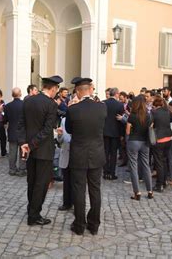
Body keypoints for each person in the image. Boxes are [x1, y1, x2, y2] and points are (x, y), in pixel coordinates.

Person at [18, 75, 62, 226]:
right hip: (43, 150)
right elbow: (47, 130)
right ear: (54, 88)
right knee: (41, 184)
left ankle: (31, 209)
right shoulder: (51, 104)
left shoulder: (28, 100)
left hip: (30, 149)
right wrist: (30, 145)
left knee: (32, 181)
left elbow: (21, 124)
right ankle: (34, 215)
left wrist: (25, 143)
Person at [65, 77, 107, 235]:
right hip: (97, 153)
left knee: (79, 190)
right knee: (95, 190)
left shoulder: (72, 109)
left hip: (79, 154)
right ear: (90, 89)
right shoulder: (102, 108)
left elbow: (69, 129)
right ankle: (94, 225)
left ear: (77, 91)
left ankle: (79, 225)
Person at [126, 96, 154, 201]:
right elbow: (150, 129)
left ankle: (137, 192)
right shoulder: (149, 115)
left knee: (133, 166)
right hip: (145, 142)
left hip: (133, 141)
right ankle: (150, 191)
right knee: (146, 165)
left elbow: (128, 131)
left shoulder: (132, 115)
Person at [57, 91, 80, 211]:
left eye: (76, 102)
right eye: (72, 103)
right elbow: (60, 140)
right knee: (66, 180)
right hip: (66, 151)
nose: (73, 104)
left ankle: (77, 203)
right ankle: (66, 202)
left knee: (76, 181)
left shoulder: (82, 119)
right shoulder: (64, 120)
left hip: (77, 153)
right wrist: (59, 135)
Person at [150, 96, 172, 192]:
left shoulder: (154, 112)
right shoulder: (167, 111)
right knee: (164, 161)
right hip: (168, 138)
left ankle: (159, 185)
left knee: (159, 163)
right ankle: (164, 182)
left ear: (156, 105)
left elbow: (149, 123)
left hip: (159, 139)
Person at [103, 87, 124, 180]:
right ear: (116, 94)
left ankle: (105, 172)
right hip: (115, 132)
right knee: (114, 153)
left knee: (105, 153)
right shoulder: (119, 105)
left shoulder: (104, 103)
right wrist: (122, 134)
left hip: (105, 132)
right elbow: (120, 120)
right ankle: (112, 173)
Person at [5, 87, 26, 176]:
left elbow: (5, 119)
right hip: (22, 132)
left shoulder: (8, 106)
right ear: (20, 94)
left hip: (12, 131)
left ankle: (12, 169)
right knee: (23, 151)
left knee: (12, 152)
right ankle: (22, 169)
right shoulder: (24, 104)